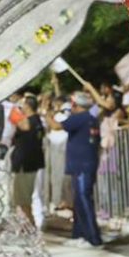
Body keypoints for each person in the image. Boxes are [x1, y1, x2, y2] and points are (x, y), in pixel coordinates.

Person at [45, 91, 102, 248]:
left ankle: (93, 238)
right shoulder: (92, 119)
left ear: (76, 105)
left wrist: (46, 113)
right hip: (85, 164)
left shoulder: (80, 118)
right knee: (78, 201)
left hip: (82, 165)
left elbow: (56, 126)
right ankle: (79, 234)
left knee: (83, 200)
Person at [10, 95, 45, 227]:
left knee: (24, 201)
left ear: (28, 106)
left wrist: (13, 110)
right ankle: (28, 228)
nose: (20, 106)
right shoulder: (37, 121)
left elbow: (23, 126)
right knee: (23, 200)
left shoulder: (29, 122)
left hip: (25, 166)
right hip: (32, 165)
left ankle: (31, 231)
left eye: (22, 104)